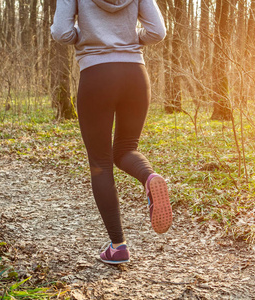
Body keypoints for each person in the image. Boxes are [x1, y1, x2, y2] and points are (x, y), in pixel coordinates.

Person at [51, 0, 172, 264]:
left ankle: (118, 246)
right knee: (127, 148)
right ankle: (150, 178)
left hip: (97, 75)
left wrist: (87, 37)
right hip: (135, 77)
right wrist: (130, 37)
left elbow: (61, 32)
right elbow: (158, 32)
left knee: (101, 163)